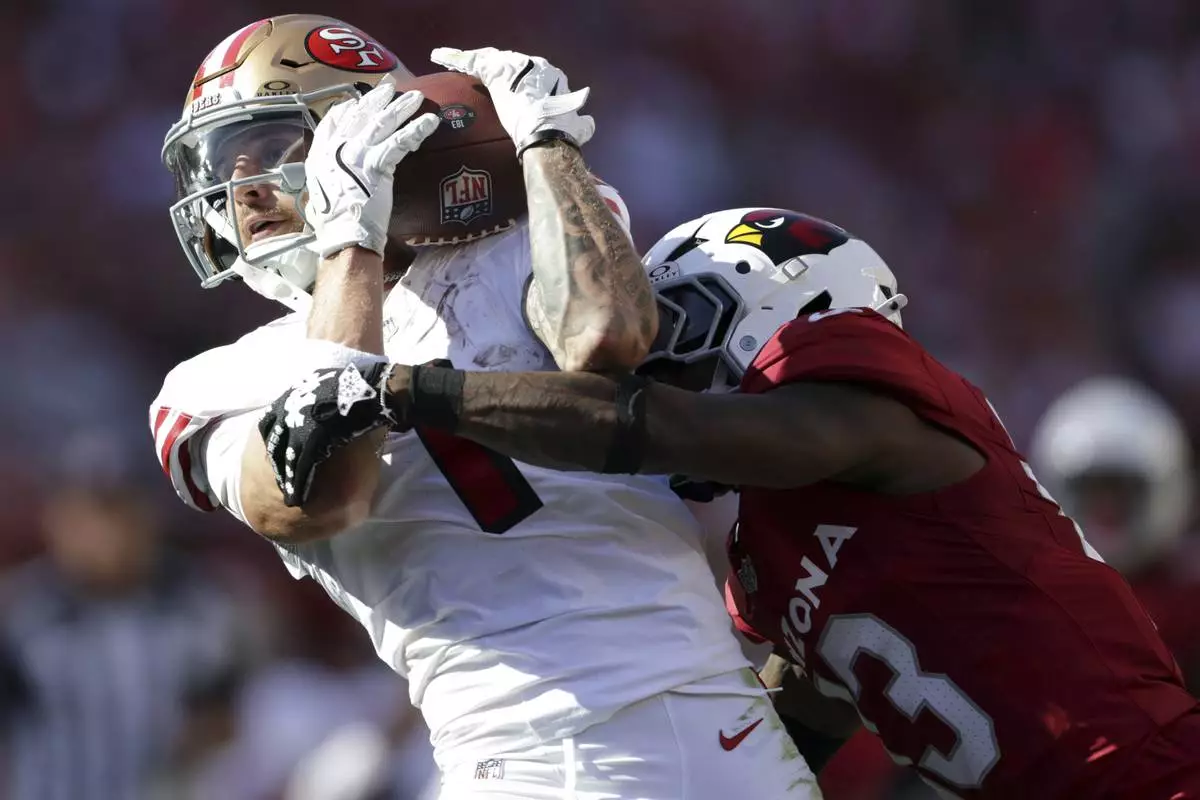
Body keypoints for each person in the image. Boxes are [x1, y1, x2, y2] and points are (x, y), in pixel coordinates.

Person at [288, 206, 1200, 798]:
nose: (648, 356)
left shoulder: (861, 389)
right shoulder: (770, 550)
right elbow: (780, 740)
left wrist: (408, 391)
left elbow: (666, 426)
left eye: (675, 329)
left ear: (770, 302)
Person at [152, 15, 817, 800]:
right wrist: (350, 243)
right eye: (226, 162)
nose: (246, 185)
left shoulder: (509, 249)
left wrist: (549, 146)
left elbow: (611, 335)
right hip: (531, 756)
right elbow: (324, 494)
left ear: (377, 129)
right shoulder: (209, 387)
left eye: (270, 146)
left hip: (731, 732)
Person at [1031, 376, 1200, 690]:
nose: (1107, 508)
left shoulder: (1189, 606)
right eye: (1095, 491)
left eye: (1120, 490)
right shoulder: (1033, 598)